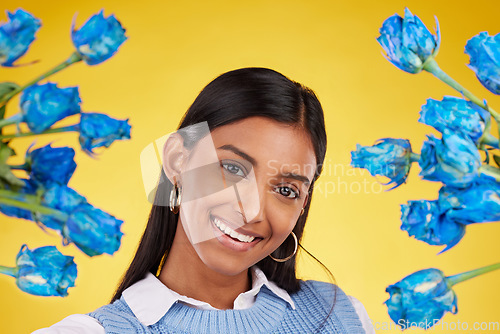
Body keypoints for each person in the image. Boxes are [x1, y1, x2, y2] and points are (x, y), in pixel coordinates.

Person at [33, 67, 375, 333]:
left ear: (302, 204)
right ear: (177, 161)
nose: (251, 211)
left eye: (286, 190)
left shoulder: (342, 316)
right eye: (232, 167)